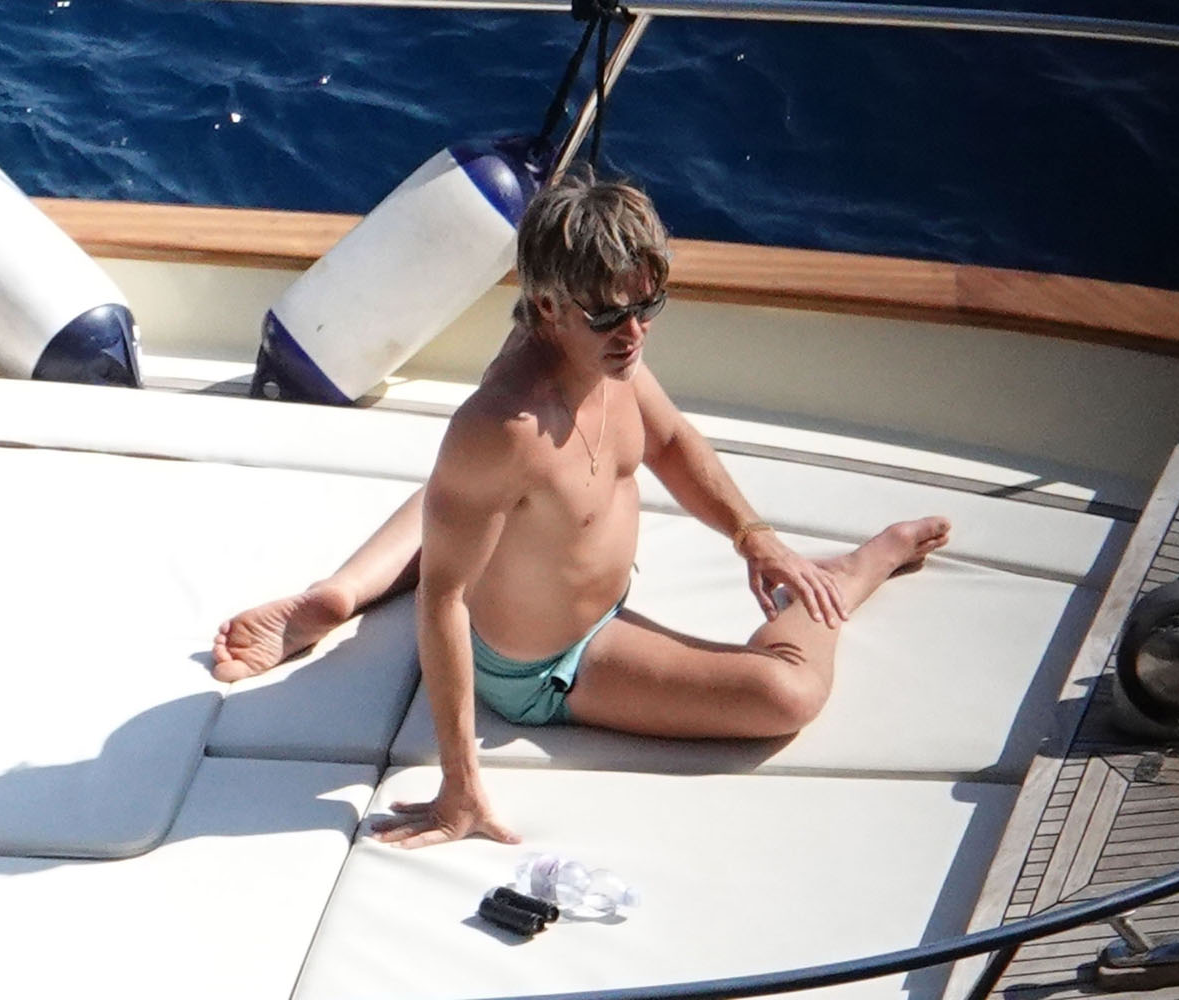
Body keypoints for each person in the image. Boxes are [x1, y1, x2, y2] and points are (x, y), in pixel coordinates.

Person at [213, 171, 950, 849]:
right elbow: (443, 600)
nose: (634, 333)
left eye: (647, 307)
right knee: (784, 695)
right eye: (609, 316)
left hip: (530, 535)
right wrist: (458, 786)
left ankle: (345, 591)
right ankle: (852, 574)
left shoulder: (606, 351)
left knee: (478, 502)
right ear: (547, 306)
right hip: (546, 665)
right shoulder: (504, 426)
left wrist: (754, 536)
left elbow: (670, 441)